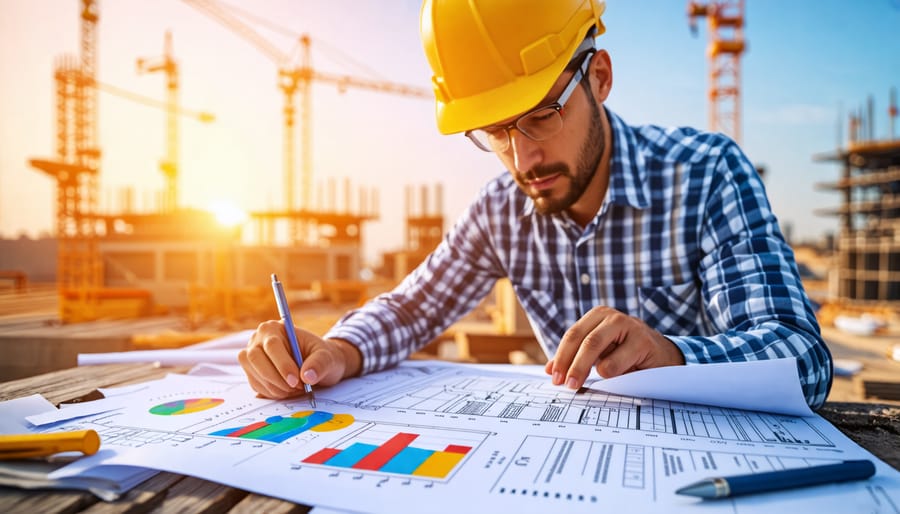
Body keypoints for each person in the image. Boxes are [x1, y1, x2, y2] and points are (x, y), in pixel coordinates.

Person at [239, 0, 832, 408]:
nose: (523, 160)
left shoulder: (705, 174)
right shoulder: (502, 210)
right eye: (496, 132)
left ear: (598, 77)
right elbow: (411, 310)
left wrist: (672, 356)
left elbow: (803, 360)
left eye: (542, 116)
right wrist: (337, 352)